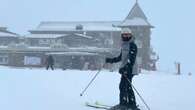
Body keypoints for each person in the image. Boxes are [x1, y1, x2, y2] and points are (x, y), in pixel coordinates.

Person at [105, 28, 139, 110]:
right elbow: (121, 57)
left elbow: (131, 59)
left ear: (130, 35)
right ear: (122, 35)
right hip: (125, 68)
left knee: (123, 86)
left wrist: (125, 68)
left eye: (127, 34)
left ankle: (123, 105)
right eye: (124, 34)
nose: (126, 36)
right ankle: (131, 104)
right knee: (127, 86)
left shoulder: (132, 45)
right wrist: (111, 60)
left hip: (130, 69)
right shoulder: (124, 44)